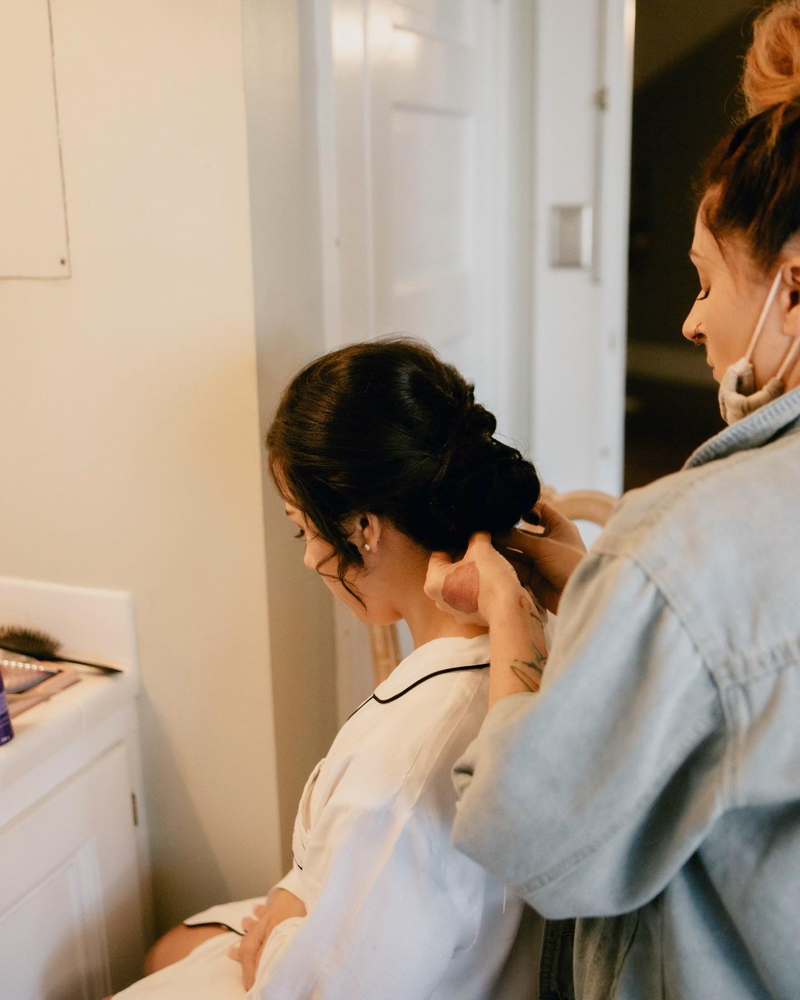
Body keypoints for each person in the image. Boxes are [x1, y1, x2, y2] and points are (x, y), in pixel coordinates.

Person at [423, 4, 800, 998]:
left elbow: (528, 831)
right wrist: (602, 582)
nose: (688, 319)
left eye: (704, 280)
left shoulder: (680, 547)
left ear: (793, 286)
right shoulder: (668, 562)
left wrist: (515, 621)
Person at [111, 339, 541, 1000]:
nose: (311, 559)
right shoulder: (525, 638)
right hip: (438, 952)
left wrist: (279, 933)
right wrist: (292, 900)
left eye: (301, 527)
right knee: (170, 947)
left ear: (364, 526)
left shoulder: (397, 775)